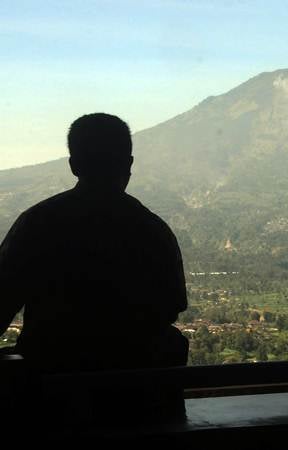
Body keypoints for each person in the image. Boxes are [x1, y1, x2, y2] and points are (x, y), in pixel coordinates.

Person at [0, 113, 188, 373]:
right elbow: (171, 308)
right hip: (139, 394)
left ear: (74, 165)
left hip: (50, 390)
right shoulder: (153, 230)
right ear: (128, 163)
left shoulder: (36, 224)